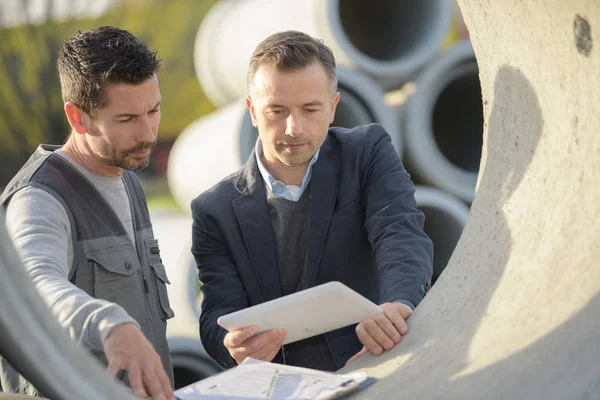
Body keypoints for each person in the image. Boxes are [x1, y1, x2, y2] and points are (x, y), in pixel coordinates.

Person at [191, 30, 434, 372]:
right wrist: (231, 345)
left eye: (310, 109)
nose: (294, 128)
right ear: (252, 111)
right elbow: (217, 312)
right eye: (276, 111)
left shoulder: (367, 152)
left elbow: (400, 232)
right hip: (284, 386)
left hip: (380, 363)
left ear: (333, 107)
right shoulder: (213, 210)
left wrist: (398, 303)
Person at [0, 26, 175, 400]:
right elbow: (38, 285)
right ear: (77, 118)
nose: (147, 133)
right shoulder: (39, 198)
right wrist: (109, 325)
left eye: (154, 110)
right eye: (127, 119)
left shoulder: (127, 175)